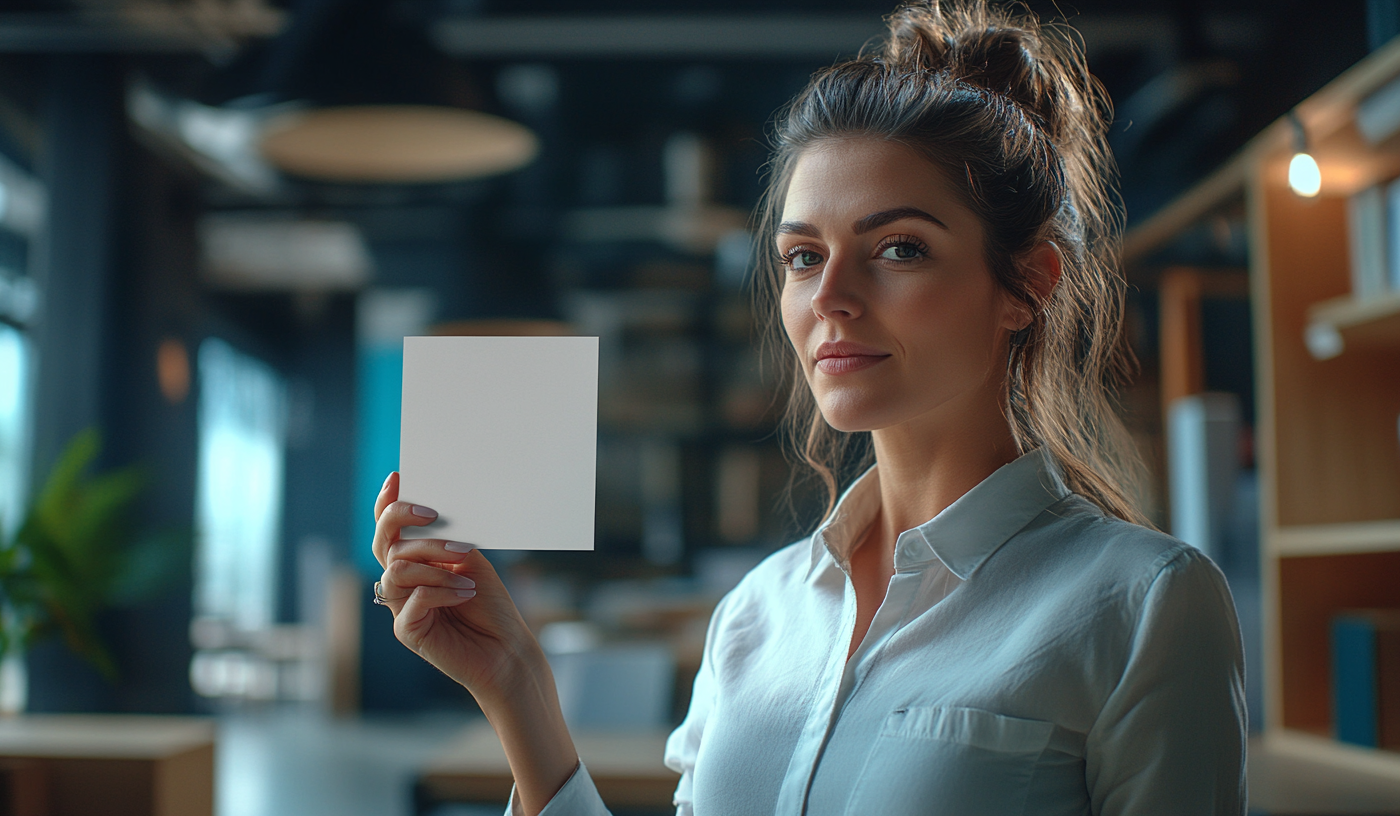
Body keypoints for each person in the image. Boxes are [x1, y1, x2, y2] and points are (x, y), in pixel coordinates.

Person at [370, 1, 1247, 814]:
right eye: (801, 256)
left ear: (1028, 284)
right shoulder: (758, 611)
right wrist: (516, 686)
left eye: (898, 248)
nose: (830, 295)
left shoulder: (1145, 606)